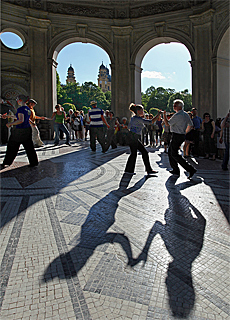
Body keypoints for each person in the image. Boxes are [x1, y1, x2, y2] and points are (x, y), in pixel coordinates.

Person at [1, 94, 38, 170]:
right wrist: (8, 116)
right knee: (29, 147)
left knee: (12, 147)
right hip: (27, 130)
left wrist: (10, 123)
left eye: (17, 99)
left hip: (19, 131)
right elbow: (23, 118)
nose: (16, 101)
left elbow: (21, 120)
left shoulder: (20, 109)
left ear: (20, 100)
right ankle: (34, 162)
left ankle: (7, 162)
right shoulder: (27, 109)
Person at [163, 99, 196, 179]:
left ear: (179, 106)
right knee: (171, 152)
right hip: (180, 135)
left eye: (175, 105)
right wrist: (185, 132)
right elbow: (190, 125)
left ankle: (190, 169)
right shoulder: (185, 114)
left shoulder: (177, 115)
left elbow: (167, 123)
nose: (173, 107)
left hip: (176, 135)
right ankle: (175, 169)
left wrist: (164, 115)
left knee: (174, 153)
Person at [124, 103, 160, 175]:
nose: (143, 111)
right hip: (134, 137)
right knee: (143, 152)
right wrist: (158, 114)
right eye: (142, 110)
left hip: (132, 136)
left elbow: (129, 127)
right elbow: (150, 122)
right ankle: (148, 169)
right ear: (138, 111)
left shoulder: (133, 118)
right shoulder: (138, 119)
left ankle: (129, 170)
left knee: (134, 153)